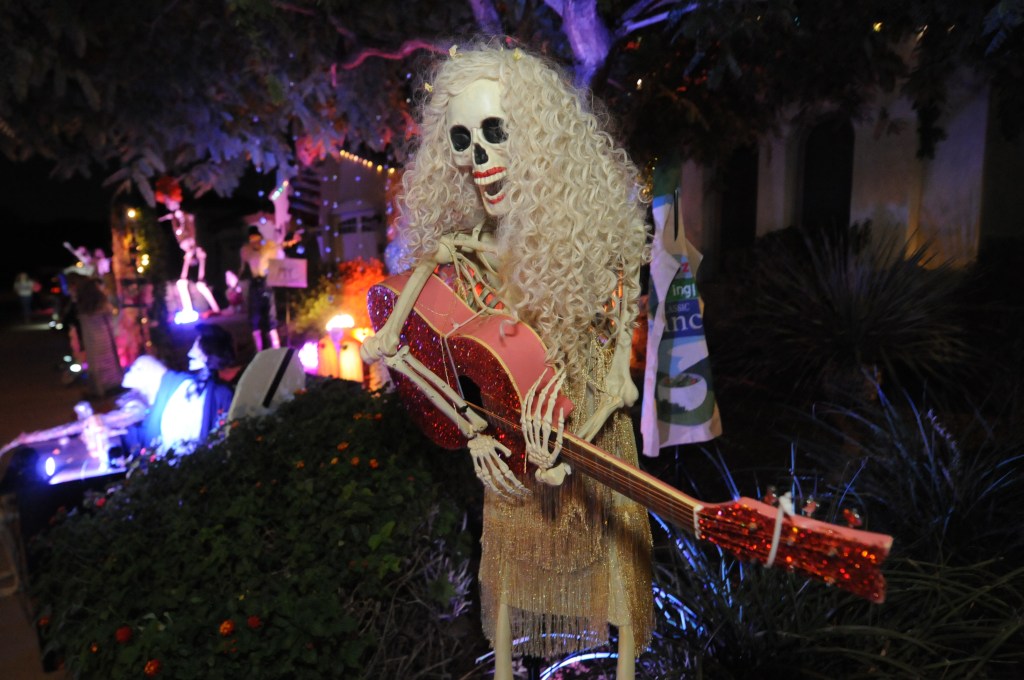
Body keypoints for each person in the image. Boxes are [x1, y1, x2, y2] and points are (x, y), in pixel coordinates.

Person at [361, 42, 652, 678]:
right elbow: (429, 354)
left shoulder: (605, 245)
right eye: (462, 141)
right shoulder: (461, 255)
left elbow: (619, 385)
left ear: (540, 139)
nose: (480, 158)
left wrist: (583, 427)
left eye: (496, 132)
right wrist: (473, 433)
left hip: (591, 444)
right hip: (513, 452)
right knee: (507, 592)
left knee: (619, 592)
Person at [132, 324, 237, 457]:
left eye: (196, 347)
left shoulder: (220, 394)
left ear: (208, 353)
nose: (189, 353)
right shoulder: (185, 385)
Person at [237, 224, 283, 351]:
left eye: (256, 239)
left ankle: (276, 346)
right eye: (252, 240)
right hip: (254, 282)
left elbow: (279, 256)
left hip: (267, 281)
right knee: (255, 315)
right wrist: (238, 283)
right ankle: (259, 348)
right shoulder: (246, 250)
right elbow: (243, 268)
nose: (255, 242)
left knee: (270, 313)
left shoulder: (269, 247)